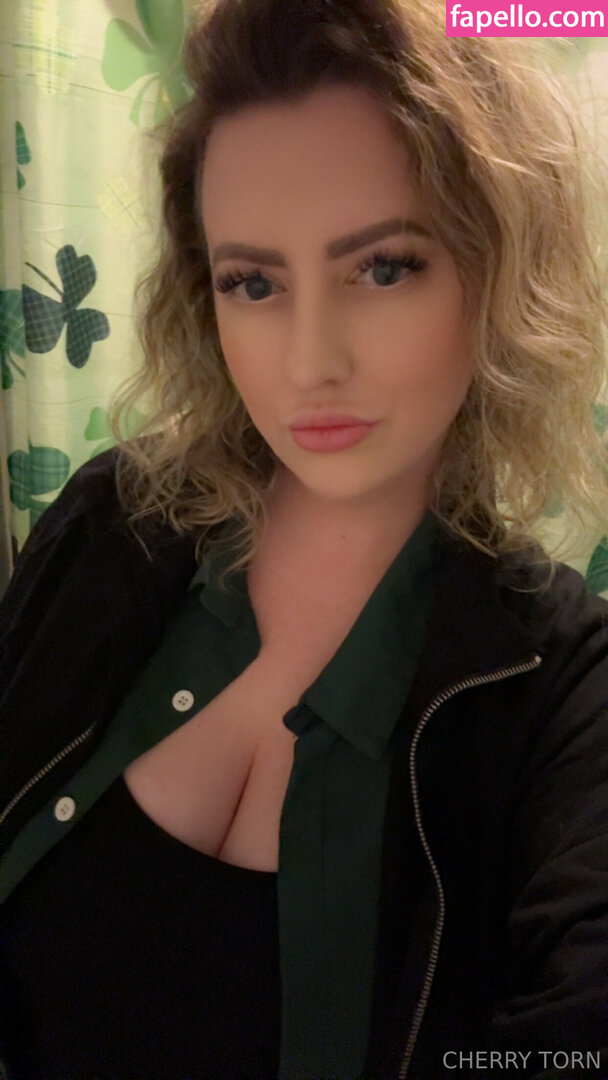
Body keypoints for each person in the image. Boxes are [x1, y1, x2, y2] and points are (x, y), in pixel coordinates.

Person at [1, 0, 607, 1077]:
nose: (309, 362)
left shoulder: (564, 688)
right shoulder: (113, 522)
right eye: (253, 283)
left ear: (495, 269)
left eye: (383, 268)